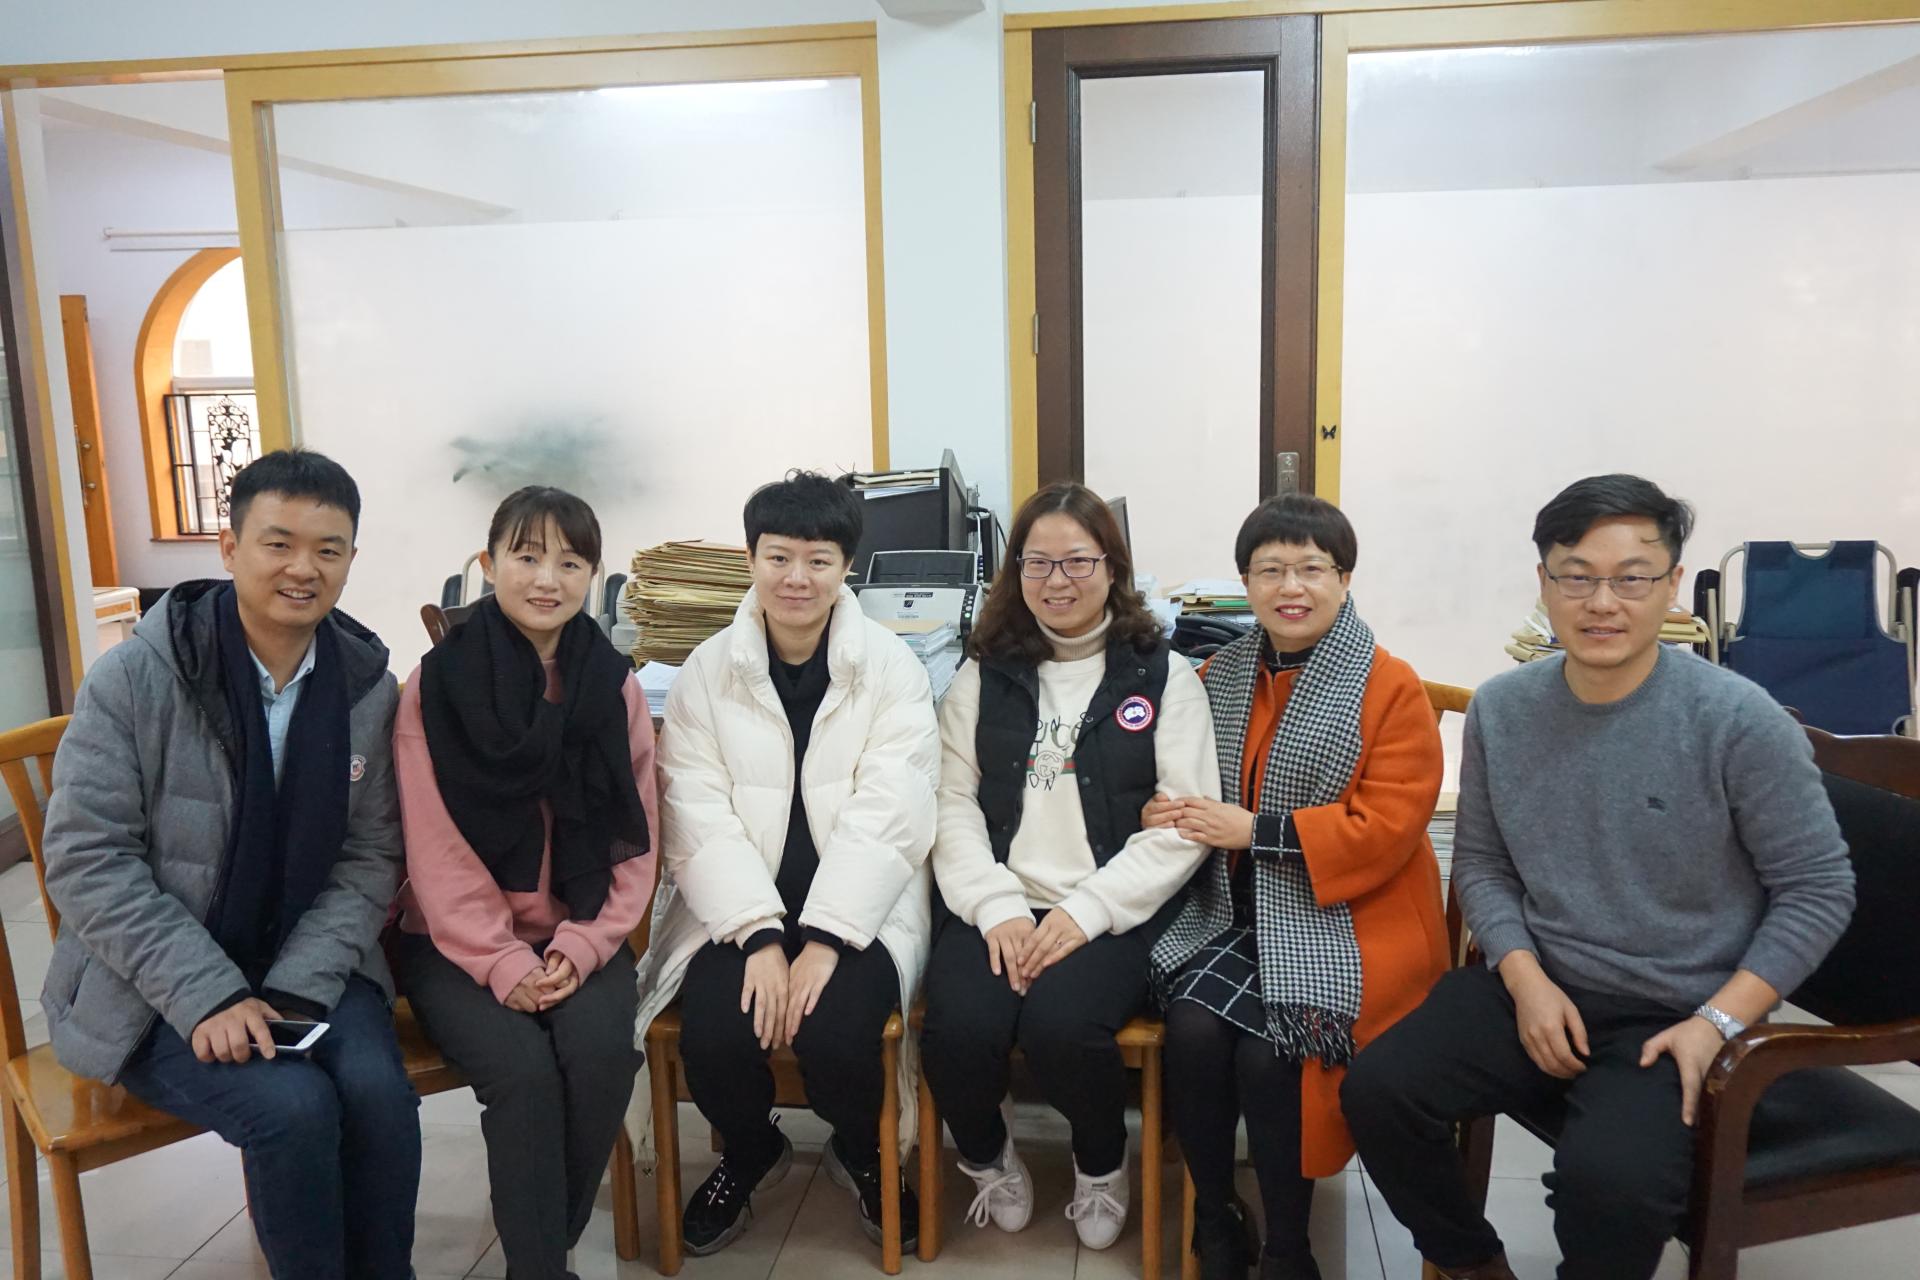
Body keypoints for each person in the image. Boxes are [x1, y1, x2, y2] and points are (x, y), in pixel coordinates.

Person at [1341, 474, 1857, 1280]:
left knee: (1610, 1189)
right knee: (1379, 1091)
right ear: (1543, 583)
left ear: (1672, 586)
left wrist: (1717, 1023)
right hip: (1540, 984)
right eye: (1576, 576)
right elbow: (1483, 864)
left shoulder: (1738, 720)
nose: (1602, 602)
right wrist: (1525, 979)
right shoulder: (1503, 709)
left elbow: (1819, 890)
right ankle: (1475, 1266)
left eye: (1632, 578)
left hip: (1677, 1012)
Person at [39, 449, 421, 1280]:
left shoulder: (366, 687)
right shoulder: (137, 677)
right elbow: (86, 860)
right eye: (278, 543)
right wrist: (207, 992)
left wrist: (297, 988)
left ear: (351, 559)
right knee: (293, 1109)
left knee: (378, 1097)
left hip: (308, 967)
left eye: (327, 550)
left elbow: (370, 855)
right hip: (150, 985)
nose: (302, 569)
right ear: (228, 546)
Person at [631, 470, 938, 1255]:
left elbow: (891, 816)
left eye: (818, 560)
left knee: (837, 1038)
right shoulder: (706, 673)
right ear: (751, 559)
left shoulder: (894, 670)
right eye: (778, 558)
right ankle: (751, 1148)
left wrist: (826, 937)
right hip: (735, 906)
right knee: (714, 1037)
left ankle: (861, 1150)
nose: (797, 578)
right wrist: (761, 936)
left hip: (863, 908)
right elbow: (695, 814)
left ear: (847, 568)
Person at [1144, 494, 1447, 1280]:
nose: (1291, 587)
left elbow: (1387, 826)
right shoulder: (1218, 675)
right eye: (1270, 569)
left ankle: (1287, 1244)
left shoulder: (1390, 685)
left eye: (1312, 568)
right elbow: (1182, 780)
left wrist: (1254, 831)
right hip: (1237, 908)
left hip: (1355, 915)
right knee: (1193, 1030)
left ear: (1345, 579)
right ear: (1243, 583)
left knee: (1271, 1051)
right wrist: (1166, 808)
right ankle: (1216, 1216)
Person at [920, 481, 1218, 1251]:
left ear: (1112, 567)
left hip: (1111, 908)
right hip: (996, 900)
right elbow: (949, 803)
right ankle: (988, 1158)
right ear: (1016, 571)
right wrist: (995, 906)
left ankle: (1100, 1163)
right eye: (1038, 562)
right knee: (958, 1031)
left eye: (1078, 561)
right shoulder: (982, 674)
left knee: (1063, 1029)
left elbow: (1186, 825)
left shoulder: (1164, 677)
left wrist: (1086, 913)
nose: (1058, 580)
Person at [393, 486, 656, 1280]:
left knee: (602, 1057)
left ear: (594, 576)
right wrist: (502, 960)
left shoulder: (613, 685)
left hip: (578, 932)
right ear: (489, 563)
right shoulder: (436, 685)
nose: (548, 579)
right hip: (453, 944)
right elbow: (433, 847)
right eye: (527, 556)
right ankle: (543, 1269)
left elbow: (636, 837)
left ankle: (540, 1256)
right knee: (524, 1075)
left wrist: (588, 941)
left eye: (570, 563)